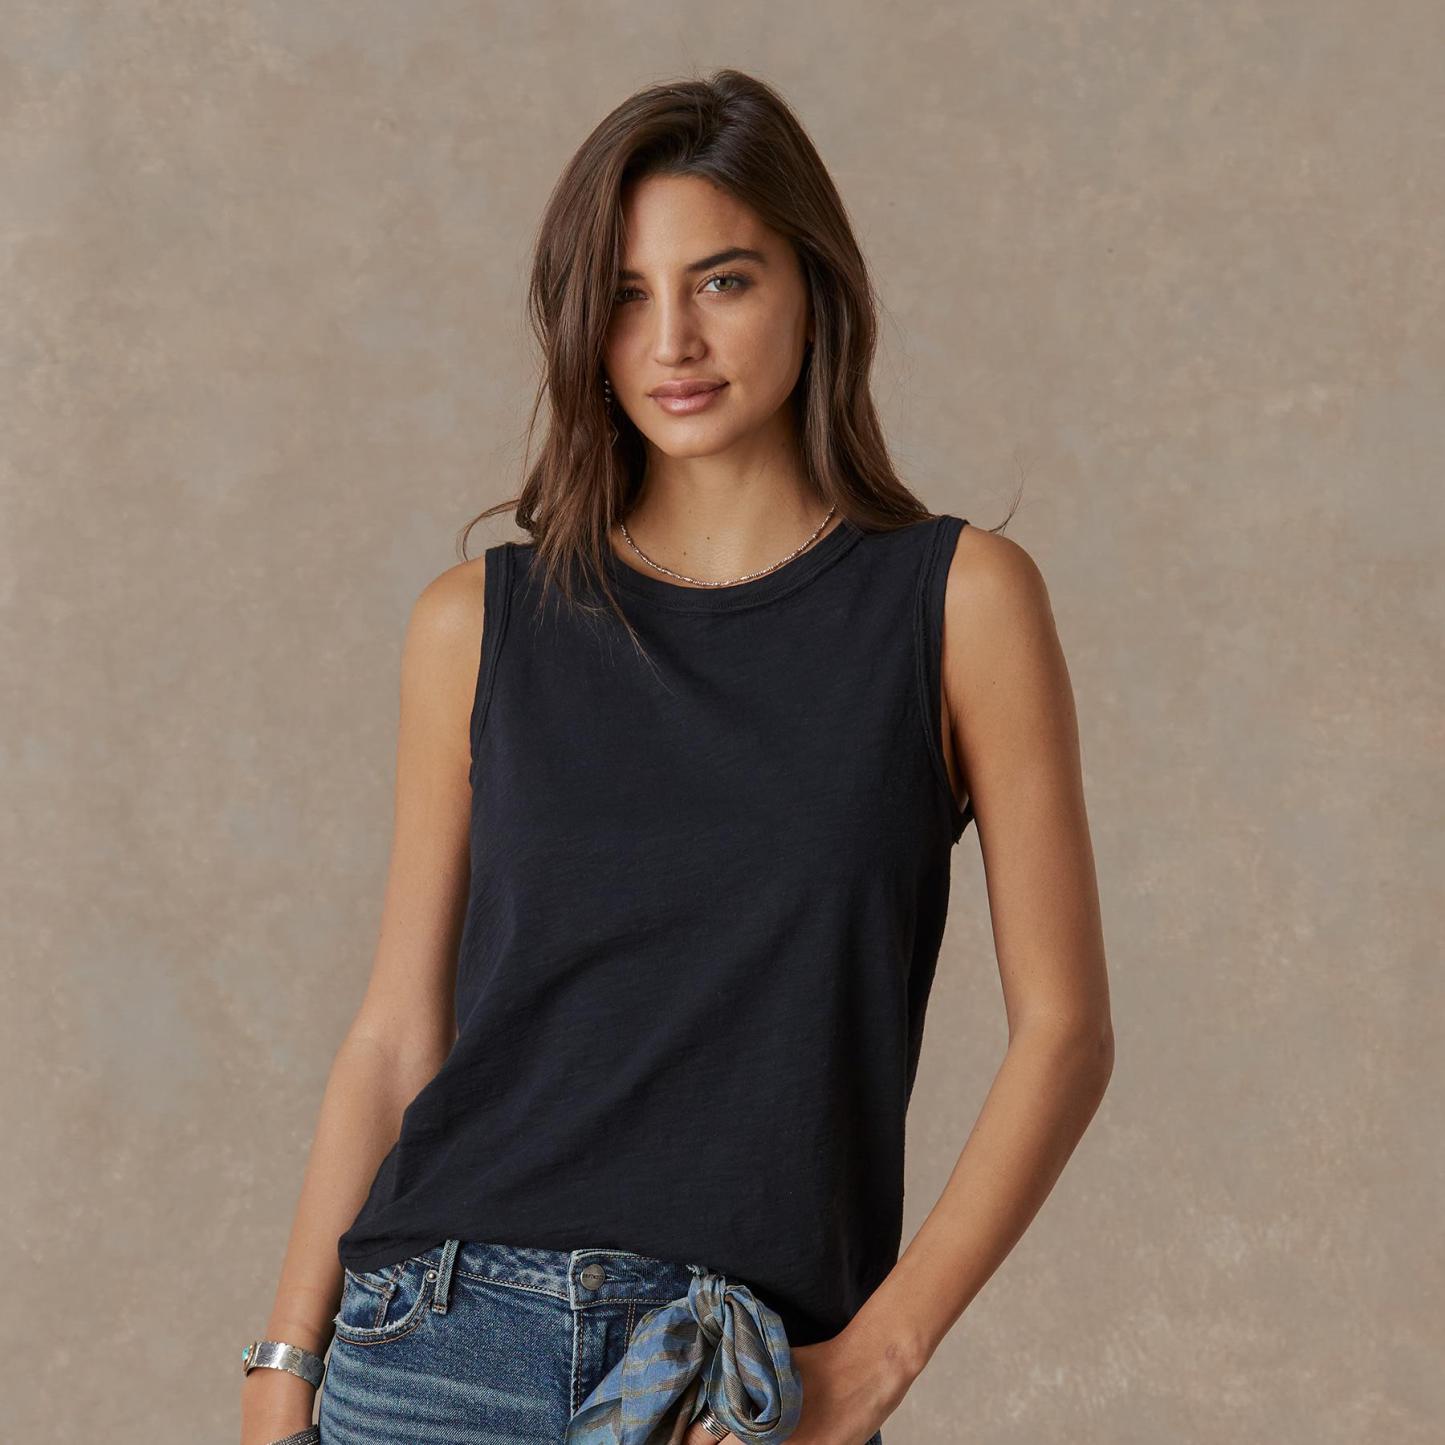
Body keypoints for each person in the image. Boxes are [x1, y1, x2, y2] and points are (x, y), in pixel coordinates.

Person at [240, 68, 1113, 1445]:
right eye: (625, 295)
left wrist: (873, 1361)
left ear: (815, 286)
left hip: (726, 1373)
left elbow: (1064, 1031)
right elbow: (398, 1030)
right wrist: (281, 1368)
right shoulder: (476, 624)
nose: (672, 341)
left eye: (722, 280)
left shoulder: (957, 604)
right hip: (437, 1349)